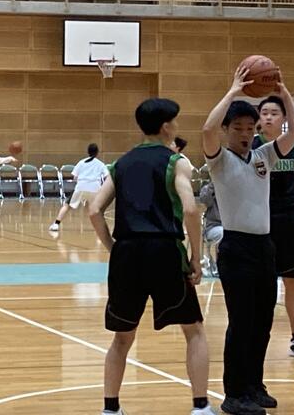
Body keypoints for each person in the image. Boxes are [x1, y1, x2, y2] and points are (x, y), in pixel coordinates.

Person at [88, 98, 212, 415]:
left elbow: (94, 210)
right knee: (194, 330)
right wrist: (196, 257)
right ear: (166, 126)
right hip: (164, 250)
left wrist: (113, 248)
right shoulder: (176, 162)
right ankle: (200, 407)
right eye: (176, 121)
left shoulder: (121, 164)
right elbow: (190, 209)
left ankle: (110, 408)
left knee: (122, 337)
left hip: (127, 252)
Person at [202, 64, 294, 415]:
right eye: (238, 128)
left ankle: (254, 386)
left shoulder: (264, 156)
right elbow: (207, 128)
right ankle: (234, 393)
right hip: (236, 247)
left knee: (262, 324)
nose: (245, 133)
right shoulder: (219, 160)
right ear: (227, 130)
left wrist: (282, 92)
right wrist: (233, 91)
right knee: (241, 323)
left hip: (264, 247)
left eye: (250, 127)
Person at [252, 95, 294, 360]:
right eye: (264, 112)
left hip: (289, 219)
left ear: (283, 119)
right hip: (259, 220)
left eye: (274, 113)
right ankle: (257, 335)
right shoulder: (252, 146)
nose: (268, 117)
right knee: (261, 282)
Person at [49, 143, 107, 232]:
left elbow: (75, 177)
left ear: (88, 152)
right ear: (97, 152)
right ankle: (101, 227)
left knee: (67, 206)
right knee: (98, 209)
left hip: (81, 187)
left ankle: (56, 224)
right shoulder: (101, 164)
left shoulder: (81, 162)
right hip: (95, 188)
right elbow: (107, 177)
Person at [198, 181, 222, 276]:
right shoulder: (207, 188)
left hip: (231, 227)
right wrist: (213, 185)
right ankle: (219, 267)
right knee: (223, 233)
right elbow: (205, 201)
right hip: (213, 227)